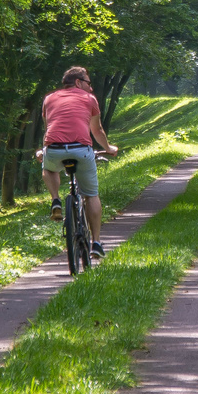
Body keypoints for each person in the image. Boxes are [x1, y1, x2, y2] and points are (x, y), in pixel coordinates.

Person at [38, 66, 118, 258]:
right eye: (88, 84)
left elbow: (50, 127)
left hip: (54, 149)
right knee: (91, 195)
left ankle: (56, 199)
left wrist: (44, 150)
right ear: (78, 82)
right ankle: (96, 243)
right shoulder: (89, 99)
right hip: (81, 149)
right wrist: (108, 148)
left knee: (49, 169)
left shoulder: (49, 99)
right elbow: (97, 130)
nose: (91, 89)